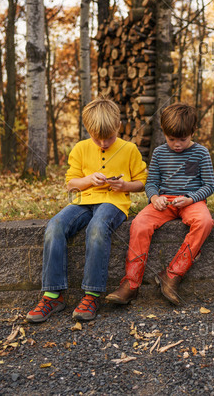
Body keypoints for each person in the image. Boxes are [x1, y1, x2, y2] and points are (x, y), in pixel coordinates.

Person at [26, 98, 147, 323]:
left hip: (114, 203)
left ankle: (92, 294)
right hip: (82, 201)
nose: (102, 143)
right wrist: (89, 179)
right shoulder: (80, 148)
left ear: (118, 127)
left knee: (97, 228)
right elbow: (71, 184)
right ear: (88, 131)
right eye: (96, 137)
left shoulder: (129, 149)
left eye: (109, 138)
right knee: (55, 226)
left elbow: (142, 182)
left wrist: (125, 186)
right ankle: (53, 295)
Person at [106, 103, 214, 306]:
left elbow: (209, 186)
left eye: (183, 139)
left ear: (193, 132)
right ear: (164, 133)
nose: (177, 144)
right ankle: (130, 284)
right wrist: (155, 198)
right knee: (140, 224)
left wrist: (191, 198)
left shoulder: (201, 153)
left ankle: (172, 274)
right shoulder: (159, 153)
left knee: (205, 222)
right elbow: (152, 182)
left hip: (191, 201)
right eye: (171, 139)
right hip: (163, 202)